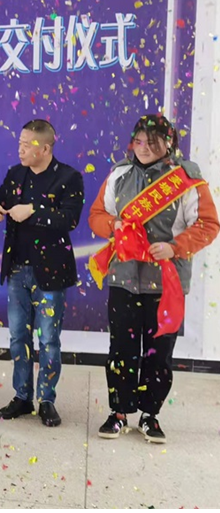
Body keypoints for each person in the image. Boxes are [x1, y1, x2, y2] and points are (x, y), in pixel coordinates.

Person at [89, 114, 219, 443]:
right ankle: (119, 412)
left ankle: (150, 415)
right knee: (121, 348)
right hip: (123, 278)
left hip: (166, 282)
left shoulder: (187, 179)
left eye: (153, 142)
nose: (144, 148)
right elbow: (97, 215)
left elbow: (208, 225)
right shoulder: (119, 174)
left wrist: (175, 247)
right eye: (139, 141)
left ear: (169, 144)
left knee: (158, 352)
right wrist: (114, 225)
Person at [0, 119, 84, 427]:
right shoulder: (16, 174)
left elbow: (69, 220)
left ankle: (47, 399)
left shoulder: (69, 177)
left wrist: (34, 211)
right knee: (19, 336)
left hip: (51, 272)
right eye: (19, 143)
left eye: (27, 145)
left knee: (49, 340)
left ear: (45, 148)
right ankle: (22, 396)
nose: (21, 149)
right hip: (18, 269)